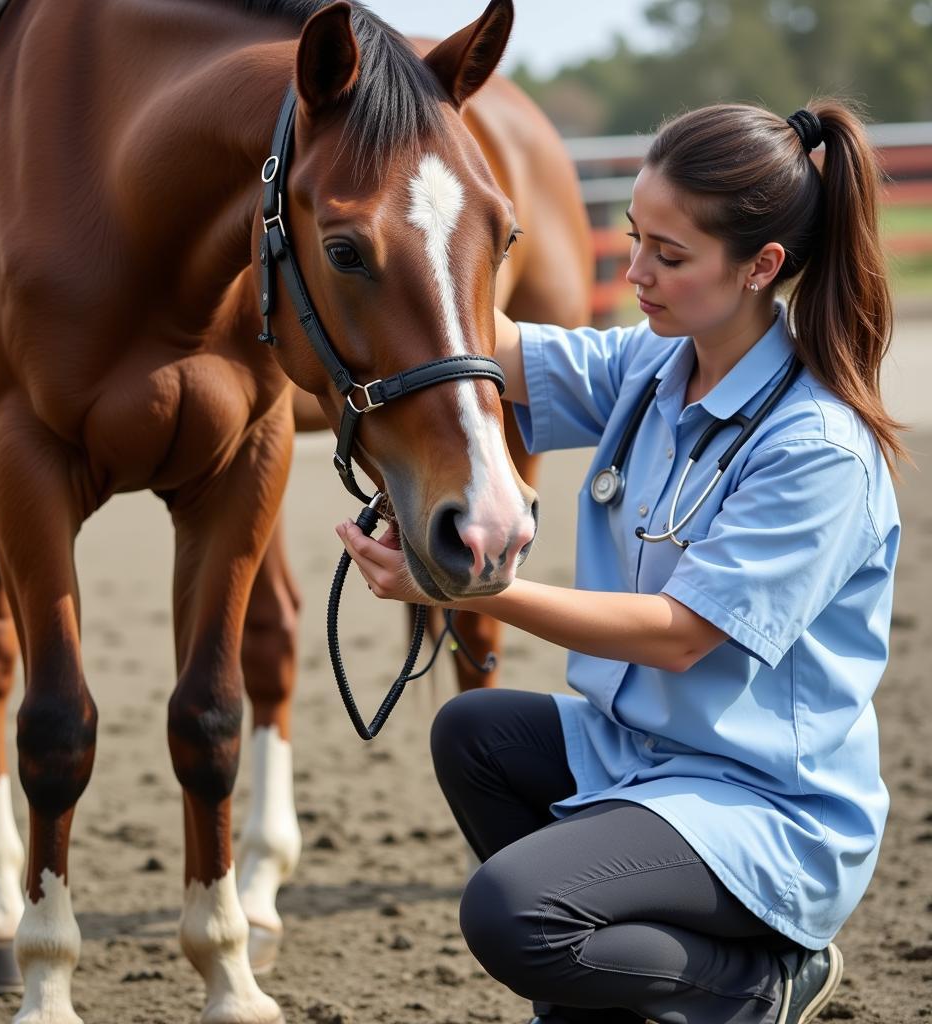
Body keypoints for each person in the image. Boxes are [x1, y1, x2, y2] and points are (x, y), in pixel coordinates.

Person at [335, 98, 905, 1024]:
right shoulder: (652, 366)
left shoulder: (817, 448)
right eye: (634, 237)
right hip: (642, 757)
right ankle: (599, 999)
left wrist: (483, 586)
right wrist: (381, 226)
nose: (634, 272)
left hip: (763, 809)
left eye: (669, 257)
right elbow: (488, 344)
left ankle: (761, 984)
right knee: (472, 735)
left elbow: (681, 638)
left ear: (762, 267)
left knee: (512, 914)